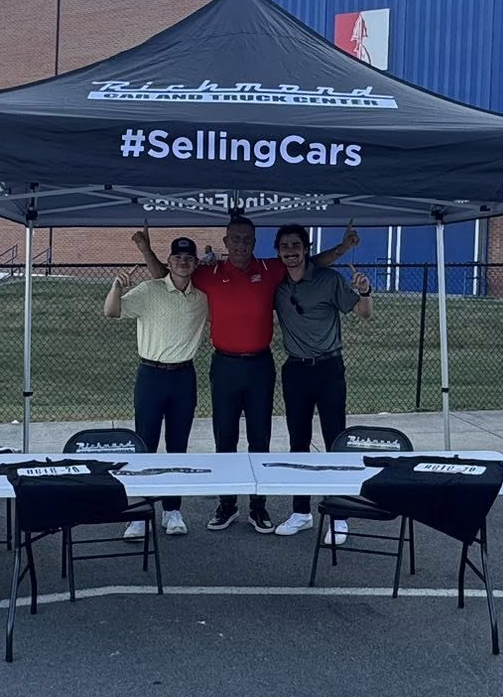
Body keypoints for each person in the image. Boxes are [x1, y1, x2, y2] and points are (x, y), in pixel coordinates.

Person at [134, 211, 357, 533]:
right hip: (224, 365)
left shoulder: (269, 268)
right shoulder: (208, 272)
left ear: (255, 243)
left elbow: (311, 262)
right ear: (225, 241)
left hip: (259, 366)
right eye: (235, 239)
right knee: (225, 438)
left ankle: (258, 505)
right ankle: (227, 504)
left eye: (247, 239)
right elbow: (165, 277)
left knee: (259, 438)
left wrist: (342, 248)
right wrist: (145, 250)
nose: (241, 244)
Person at [268, 226, 373, 544]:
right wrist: (341, 247)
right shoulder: (276, 283)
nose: (290, 251)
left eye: (296, 245)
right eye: (284, 246)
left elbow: (363, 313)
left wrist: (365, 292)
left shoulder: (329, 280)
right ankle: (301, 512)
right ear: (277, 250)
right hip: (295, 371)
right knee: (298, 442)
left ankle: (339, 516)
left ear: (306, 248)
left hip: (328, 368)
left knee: (334, 442)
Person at [103, 237, 209, 539]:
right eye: (177, 257)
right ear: (170, 261)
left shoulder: (202, 297)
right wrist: (116, 287)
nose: (183, 262)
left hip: (184, 377)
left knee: (178, 446)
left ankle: (173, 510)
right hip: (151, 374)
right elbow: (111, 312)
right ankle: (140, 513)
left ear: (196, 263)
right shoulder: (149, 291)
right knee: (145, 445)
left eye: (189, 258)